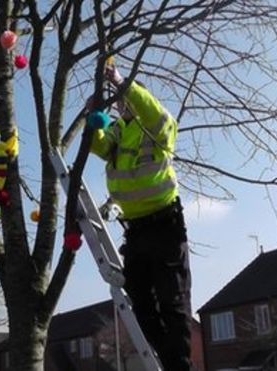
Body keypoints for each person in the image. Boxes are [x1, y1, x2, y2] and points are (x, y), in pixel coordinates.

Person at [89, 65, 192, 370]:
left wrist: (121, 82)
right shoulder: (119, 131)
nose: (121, 105)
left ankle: (179, 366)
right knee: (140, 302)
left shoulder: (156, 125)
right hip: (135, 230)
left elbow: (153, 112)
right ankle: (164, 358)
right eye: (120, 102)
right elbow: (98, 145)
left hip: (164, 224)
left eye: (125, 100)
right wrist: (93, 118)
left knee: (172, 302)